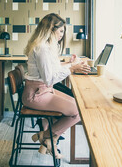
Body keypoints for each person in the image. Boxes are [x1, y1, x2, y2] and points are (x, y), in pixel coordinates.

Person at [22, 13, 90, 158]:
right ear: (50, 29)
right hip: (36, 95)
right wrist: (72, 69)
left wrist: (71, 64)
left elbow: (53, 67)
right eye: (60, 31)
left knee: (77, 105)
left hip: (42, 91)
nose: (62, 34)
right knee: (79, 110)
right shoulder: (42, 48)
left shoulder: (46, 46)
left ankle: (49, 139)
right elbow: (50, 78)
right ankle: (47, 137)